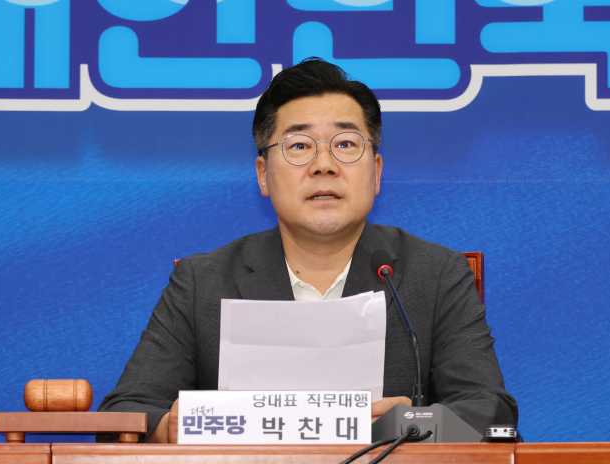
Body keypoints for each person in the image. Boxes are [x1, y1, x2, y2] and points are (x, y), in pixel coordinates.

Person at [98, 57, 518, 443]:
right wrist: (174, 428)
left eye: (345, 144)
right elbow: (124, 414)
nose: (324, 165)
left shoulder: (435, 275)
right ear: (263, 174)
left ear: (376, 172)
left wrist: (408, 425)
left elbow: (489, 410)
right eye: (299, 146)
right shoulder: (202, 283)